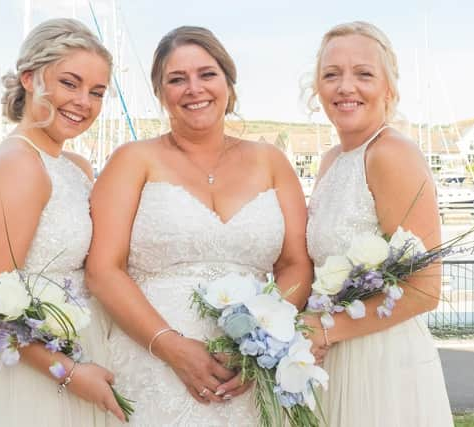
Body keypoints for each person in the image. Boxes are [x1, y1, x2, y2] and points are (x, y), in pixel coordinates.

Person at [85, 26, 313, 426]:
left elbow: (295, 264)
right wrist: (171, 347)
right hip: (152, 362)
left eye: (206, 74)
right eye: (177, 79)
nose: (194, 88)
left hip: (249, 369)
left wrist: (258, 343)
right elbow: (104, 270)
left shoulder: (271, 161)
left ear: (228, 81)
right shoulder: (133, 160)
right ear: (161, 93)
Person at [0, 18, 125, 426]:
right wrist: (68, 373)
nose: (83, 102)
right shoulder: (19, 165)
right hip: (33, 374)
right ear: (30, 79)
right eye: (70, 83)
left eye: (97, 92)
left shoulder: (75, 165)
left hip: (82, 348)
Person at [304, 21, 453, 426]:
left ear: (388, 88)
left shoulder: (392, 153)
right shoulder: (330, 161)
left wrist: (325, 332)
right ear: (317, 88)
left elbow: (424, 290)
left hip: (382, 361)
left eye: (363, 74)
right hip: (332, 356)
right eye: (331, 74)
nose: (345, 87)